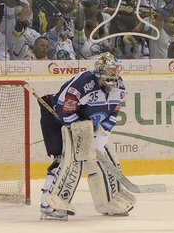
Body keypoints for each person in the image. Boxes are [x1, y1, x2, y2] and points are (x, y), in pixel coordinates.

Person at [38, 52, 135, 220]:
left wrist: (103, 132)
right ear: (101, 71)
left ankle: (109, 200)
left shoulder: (118, 86)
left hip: (86, 123)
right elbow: (64, 110)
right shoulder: (84, 82)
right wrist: (81, 133)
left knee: (105, 157)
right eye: (111, 70)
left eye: (116, 70)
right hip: (57, 119)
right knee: (66, 160)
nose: (115, 74)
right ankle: (49, 204)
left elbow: (114, 110)